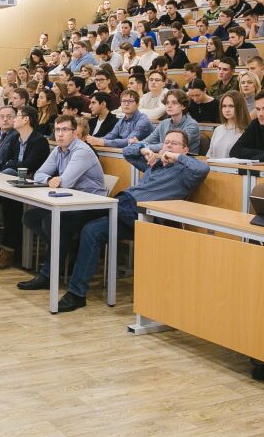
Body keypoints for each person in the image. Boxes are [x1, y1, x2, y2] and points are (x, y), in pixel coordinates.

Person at [56, 130, 210, 312]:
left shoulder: (185, 173)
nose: (168, 146)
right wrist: (145, 150)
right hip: (124, 206)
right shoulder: (155, 163)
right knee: (89, 229)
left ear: (185, 150)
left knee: (80, 212)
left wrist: (175, 157)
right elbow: (127, 152)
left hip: (142, 215)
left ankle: (74, 291)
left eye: (174, 144)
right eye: (166, 142)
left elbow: (202, 169)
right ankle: (71, 289)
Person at [16, 116, 108, 293]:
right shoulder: (58, 150)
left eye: (65, 130)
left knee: (51, 222)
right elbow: (39, 174)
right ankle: (69, 246)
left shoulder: (82, 151)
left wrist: (57, 180)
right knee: (30, 217)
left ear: (74, 132)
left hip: (92, 205)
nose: (60, 134)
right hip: (70, 202)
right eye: (57, 130)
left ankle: (47, 275)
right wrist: (49, 179)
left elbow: (65, 182)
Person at [0, 107, 51, 271]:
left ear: (26, 119)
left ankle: (8, 251)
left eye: (17, 116)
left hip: (32, 187)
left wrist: (14, 165)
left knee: (12, 205)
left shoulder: (39, 141)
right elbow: (6, 162)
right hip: (14, 183)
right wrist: (15, 165)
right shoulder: (15, 139)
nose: (14, 119)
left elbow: (29, 165)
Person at [124, 90, 202, 165]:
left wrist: (145, 147)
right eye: (167, 103)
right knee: (131, 152)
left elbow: (171, 147)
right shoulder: (164, 123)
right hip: (165, 162)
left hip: (185, 165)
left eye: (174, 103)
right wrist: (139, 144)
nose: (169, 106)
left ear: (183, 106)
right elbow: (148, 141)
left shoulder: (192, 125)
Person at [86, 89, 153, 148]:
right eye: (123, 101)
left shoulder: (143, 121)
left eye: (130, 101)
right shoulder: (121, 121)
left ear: (137, 104)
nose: (126, 104)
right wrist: (94, 139)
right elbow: (111, 136)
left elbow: (129, 141)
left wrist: (102, 142)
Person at [206, 91, 249, 158]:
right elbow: (209, 155)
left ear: (240, 107)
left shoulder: (246, 131)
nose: (227, 110)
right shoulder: (218, 129)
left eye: (231, 106)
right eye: (224, 106)